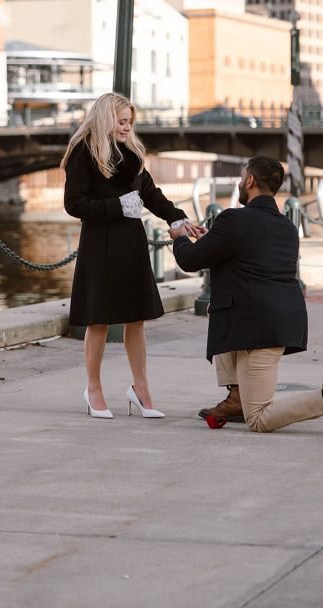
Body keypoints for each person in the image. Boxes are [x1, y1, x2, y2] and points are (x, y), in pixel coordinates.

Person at [169, 155, 323, 435]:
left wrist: (179, 236)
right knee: (223, 309)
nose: (240, 183)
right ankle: (237, 399)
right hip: (281, 318)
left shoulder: (233, 219)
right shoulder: (287, 227)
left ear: (250, 181)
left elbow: (190, 261)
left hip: (257, 328)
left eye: (242, 177)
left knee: (259, 419)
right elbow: (248, 261)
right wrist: (212, 240)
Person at [62, 92, 204, 420]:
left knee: (136, 318)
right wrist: (118, 206)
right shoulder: (83, 151)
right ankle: (93, 389)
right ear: (104, 118)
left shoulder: (132, 152)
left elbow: (150, 193)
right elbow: (74, 204)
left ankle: (141, 389)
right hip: (100, 242)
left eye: (129, 121)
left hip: (130, 242)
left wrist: (177, 218)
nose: (127, 127)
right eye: (121, 121)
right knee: (98, 321)